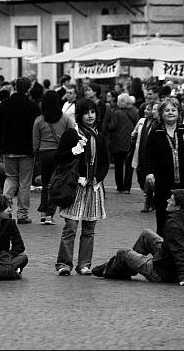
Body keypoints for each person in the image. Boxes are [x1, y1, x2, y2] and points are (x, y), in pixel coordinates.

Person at [91, 189, 184, 286]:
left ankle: (108, 269)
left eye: (171, 200)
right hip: (171, 264)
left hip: (163, 273)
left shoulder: (173, 224)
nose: (167, 201)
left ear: (178, 207)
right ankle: (120, 266)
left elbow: (180, 250)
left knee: (123, 253)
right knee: (146, 235)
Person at [55, 99, 110, 276]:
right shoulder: (72, 134)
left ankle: (84, 264)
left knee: (89, 229)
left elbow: (105, 162)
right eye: (86, 112)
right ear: (80, 115)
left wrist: (96, 178)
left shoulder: (100, 136)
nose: (90, 116)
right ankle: (64, 264)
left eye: (93, 112)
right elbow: (59, 157)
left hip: (93, 187)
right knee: (70, 227)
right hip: (75, 186)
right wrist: (75, 150)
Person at [145, 98, 184, 238]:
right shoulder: (156, 131)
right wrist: (149, 173)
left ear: (178, 112)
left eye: (173, 110)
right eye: (167, 110)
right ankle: (163, 246)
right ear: (161, 114)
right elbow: (147, 154)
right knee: (163, 218)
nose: (170, 113)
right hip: (163, 183)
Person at [0, 77, 40, 224]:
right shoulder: (32, 106)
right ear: (28, 89)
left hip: (8, 148)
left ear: (14, 87)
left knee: (10, 178)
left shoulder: (4, 104)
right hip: (27, 149)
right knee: (25, 182)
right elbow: (36, 130)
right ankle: (22, 214)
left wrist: (0, 148)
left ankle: (3, 210)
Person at [32, 90, 75, 225]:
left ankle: (43, 213)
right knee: (56, 184)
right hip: (60, 153)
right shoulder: (65, 118)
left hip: (44, 154)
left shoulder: (39, 120)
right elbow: (72, 135)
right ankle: (49, 214)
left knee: (45, 184)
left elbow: (35, 142)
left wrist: (36, 154)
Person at [107, 93, 138, 194]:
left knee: (119, 166)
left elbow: (112, 127)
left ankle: (120, 186)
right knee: (129, 166)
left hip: (118, 142)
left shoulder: (116, 113)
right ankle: (127, 187)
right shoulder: (135, 112)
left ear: (120, 102)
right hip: (131, 142)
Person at [131, 100, 158, 212]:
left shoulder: (157, 124)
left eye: (149, 109)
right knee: (141, 179)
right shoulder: (142, 121)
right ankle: (149, 197)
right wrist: (134, 135)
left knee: (150, 179)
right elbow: (133, 133)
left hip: (151, 155)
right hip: (140, 153)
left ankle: (149, 201)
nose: (146, 111)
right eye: (146, 109)